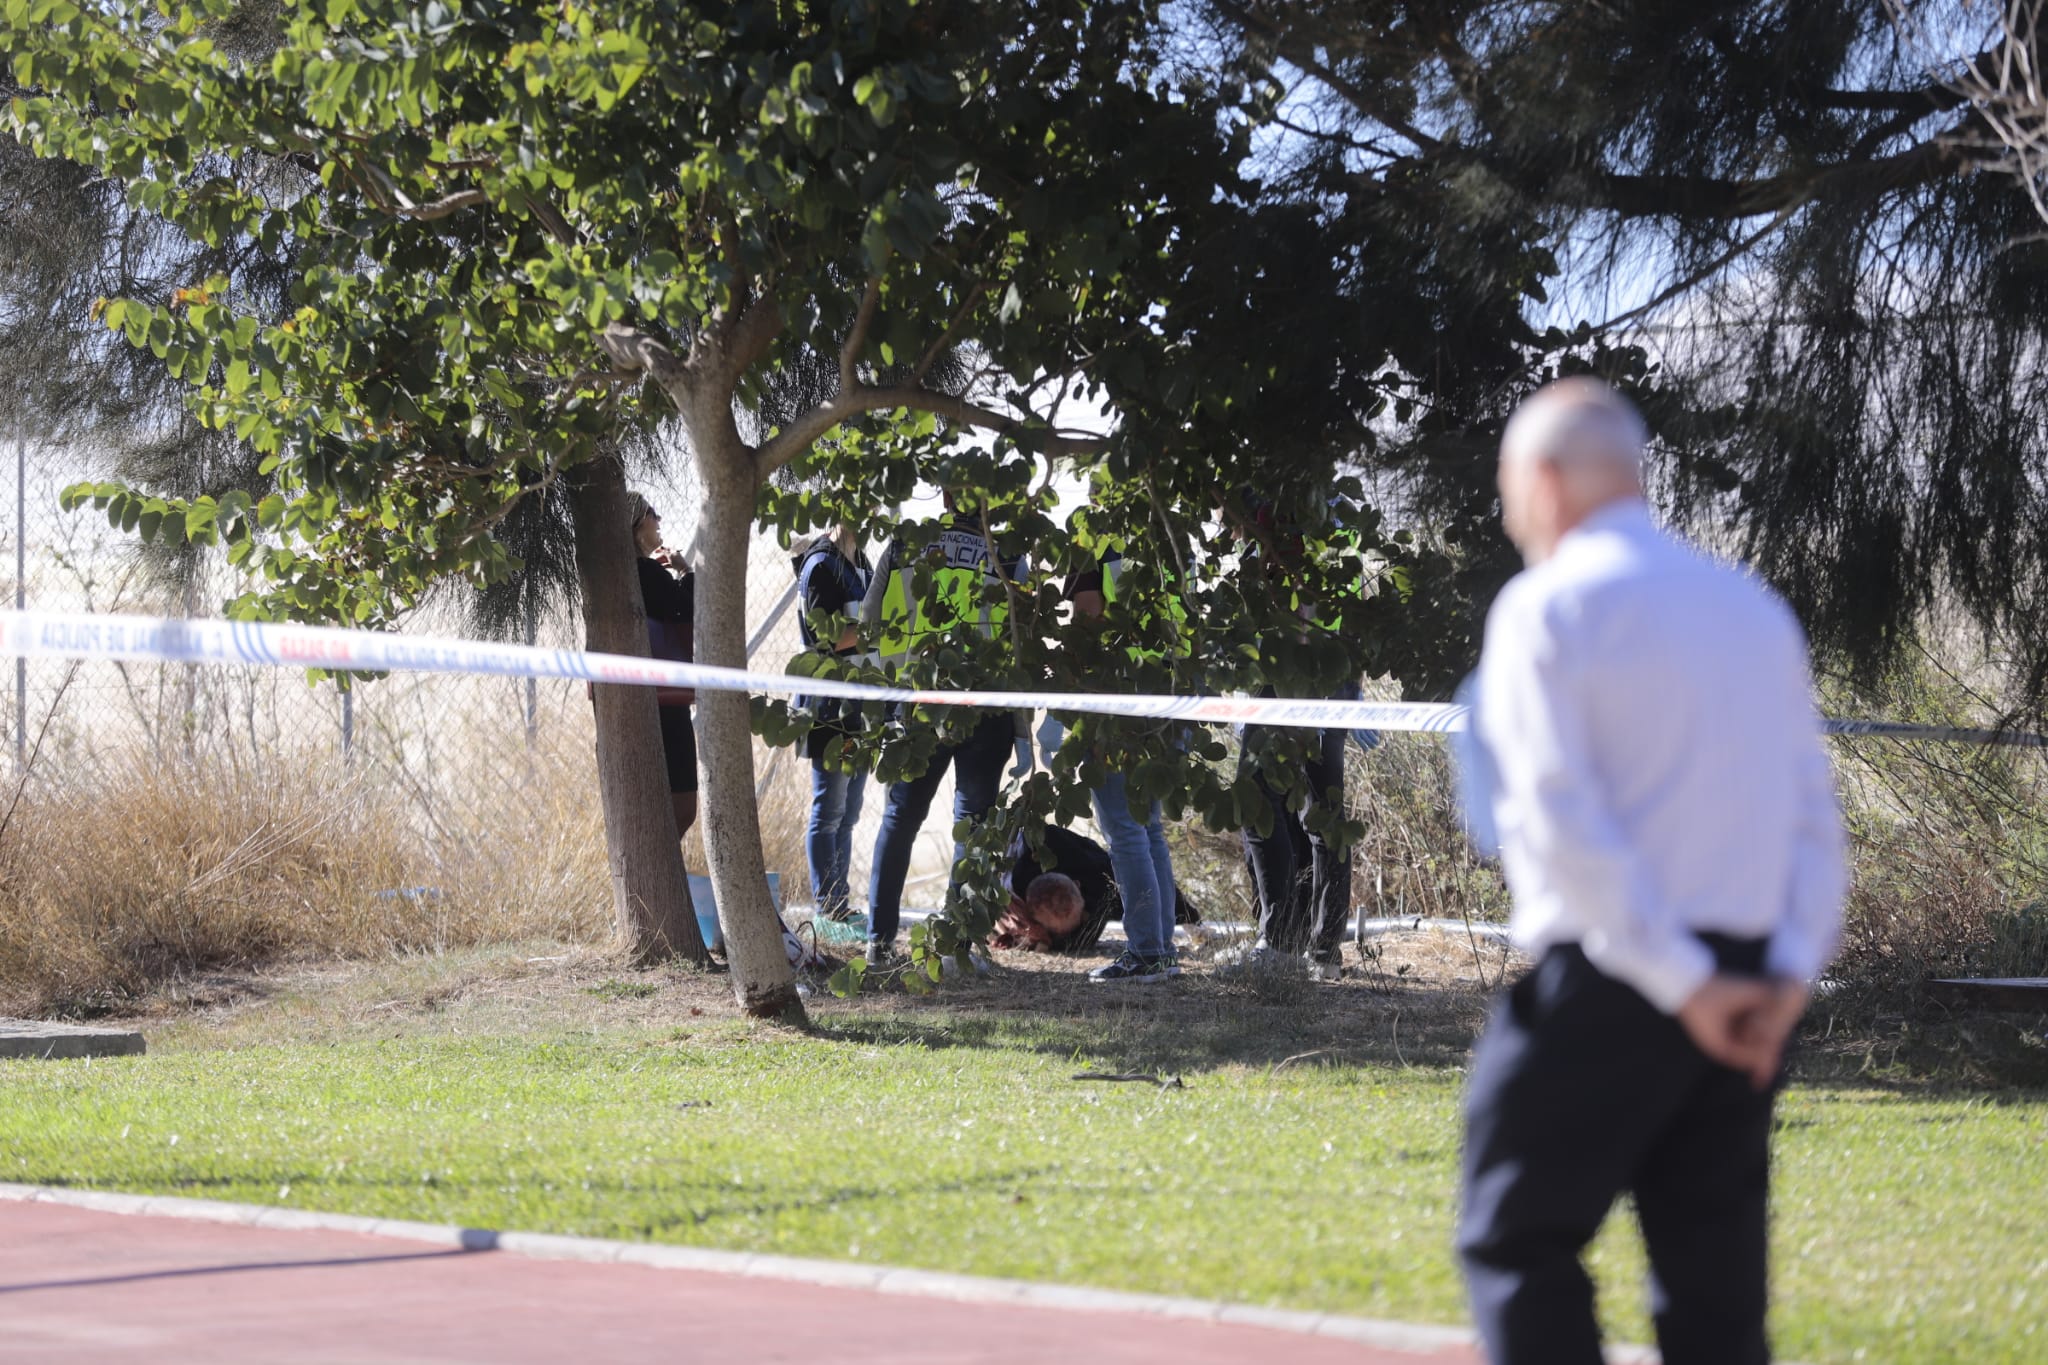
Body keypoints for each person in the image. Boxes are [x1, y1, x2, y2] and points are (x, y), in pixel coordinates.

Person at [1455, 378, 1846, 1365]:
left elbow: (1553, 818)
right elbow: (1810, 819)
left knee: (1513, 1237)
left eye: (1507, 484)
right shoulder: (1749, 608)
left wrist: (1681, 981)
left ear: (1542, 477)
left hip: (1612, 972)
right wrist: (1783, 978)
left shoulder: (1545, 608)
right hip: (1750, 974)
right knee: (1711, 1287)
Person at [858, 496, 1031, 968]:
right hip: (987, 705)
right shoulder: (1009, 552)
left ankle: (879, 944)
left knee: (899, 821)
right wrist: (1024, 734)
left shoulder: (904, 542)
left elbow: (868, 621)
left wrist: (886, 696)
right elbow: (1021, 647)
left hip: (917, 701)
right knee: (973, 831)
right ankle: (957, 946)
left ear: (946, 495)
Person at [1226, 497, 1365, 982]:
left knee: (1267, 801)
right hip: (1320, 677)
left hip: (1298, 679)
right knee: (1319, 817)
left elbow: (1308, 600)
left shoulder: (1290, 507)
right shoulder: (1334, 508)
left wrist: (1295, 679)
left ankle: (1287, 941)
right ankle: (1318, 947)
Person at [1066, 546, 1184, 983]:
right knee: (1148, 829)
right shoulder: (1163, 530)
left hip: (1116, 706)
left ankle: (1147, 952)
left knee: (1127, 833)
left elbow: (1087, 621)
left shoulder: (1095, 545)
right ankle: (1162, 950)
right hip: (1166, 702)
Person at [790, 524, 872, 921]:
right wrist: (879, 629)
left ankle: (840, 902)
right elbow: (824, 638)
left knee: (850, 812)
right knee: (829, 810)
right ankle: (829, 907)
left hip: (860, 703)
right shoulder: (822, 564)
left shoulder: (862, 560)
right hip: (828, 703)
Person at [994, 821, 1200, 955]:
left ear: (1078, 887)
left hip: (1084, 861)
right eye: (1055, 929)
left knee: (1077, 945)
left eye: (1074, 919)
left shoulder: (1108, 883)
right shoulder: (1020, 880)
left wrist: (1193, 923)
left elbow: (1154, 891)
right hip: (1016, 845)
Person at [625, 493, 698, 842]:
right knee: (682, 806)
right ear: (638, 522)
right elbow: (688, 609)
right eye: (654, 514)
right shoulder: (645, 571)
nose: (660, 521)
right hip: (666, 700)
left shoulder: (630, 571)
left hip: (646, 698)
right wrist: (684, 570)